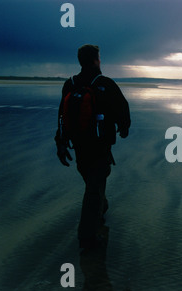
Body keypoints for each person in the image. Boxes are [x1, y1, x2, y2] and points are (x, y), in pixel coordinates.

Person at [55, 44, 131, 250]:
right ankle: (86, 237)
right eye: (99, 58)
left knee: (92, 183)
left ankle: (100, 209)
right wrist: (124, 128)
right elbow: (122, 109)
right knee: (94, 188)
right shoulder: (104, 83)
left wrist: (60, 143)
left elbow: (61, 116)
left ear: (81, 61)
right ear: (96, 60)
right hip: (100, 146)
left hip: (78, 145)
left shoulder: (70, 84)